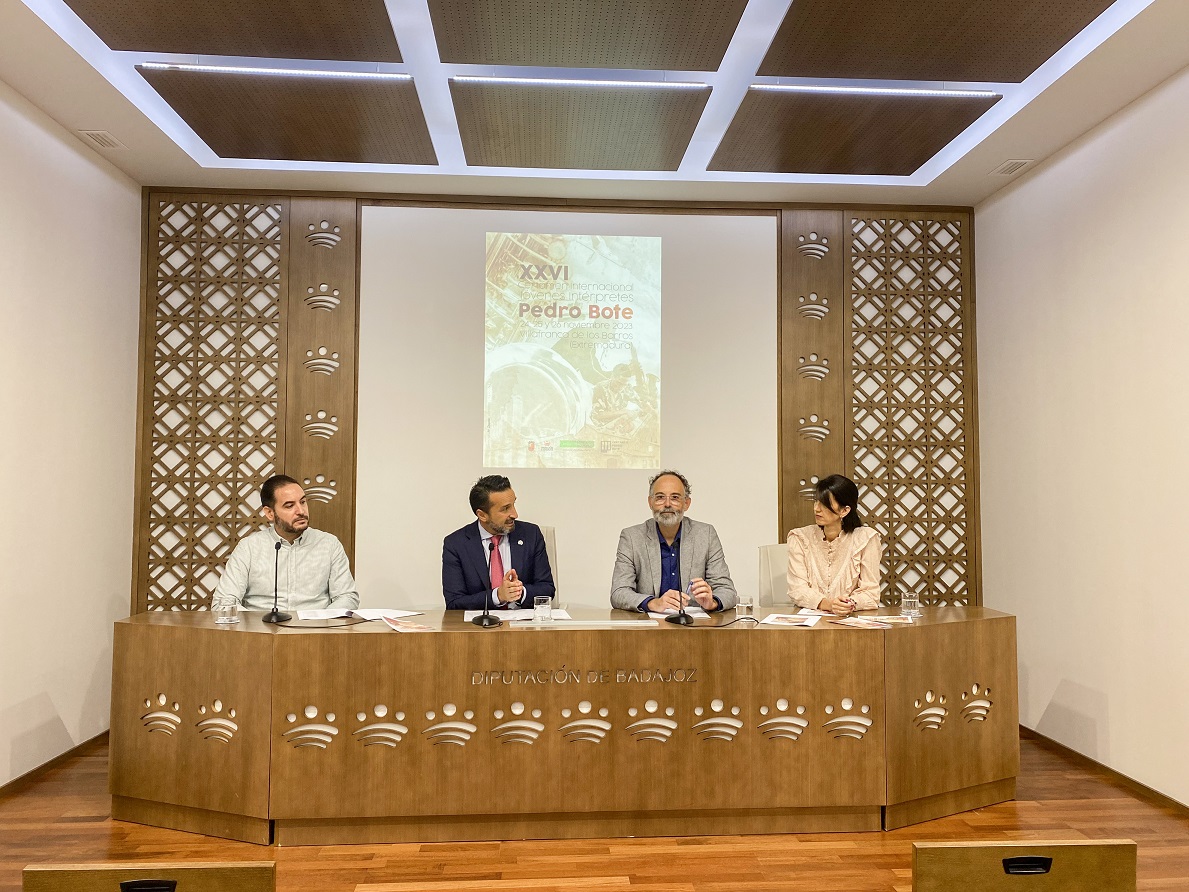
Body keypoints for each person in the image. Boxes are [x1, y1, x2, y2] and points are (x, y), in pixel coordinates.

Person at [212, 474, 359, 612]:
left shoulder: (329, 544)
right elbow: (223, 602)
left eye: (302, 502)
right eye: (289, 506)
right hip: (262, 633)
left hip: (314, 632)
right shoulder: (249, 548)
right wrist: (258, 623)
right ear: (270, 513)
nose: (301, 511)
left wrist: (319, 621)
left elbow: (347, 597)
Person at [611, 470, 737, 613]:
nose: (667, 504)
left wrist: (712, 602)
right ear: (650, 502)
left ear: (686, 503)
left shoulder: (705, 534)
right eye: (660, 497)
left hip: (694, 627)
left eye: (675, 498)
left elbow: (727, 591)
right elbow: (618, 592)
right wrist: (653, 603)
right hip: (648, 627)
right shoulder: (632, 537)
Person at [442, 475, 555, 610]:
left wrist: (519, 592)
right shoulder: (456, 544)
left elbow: (547, 589)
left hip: (522, 626)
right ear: (482, 515)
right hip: (478, 627)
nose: (514, 514)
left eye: (513, 504)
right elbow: (454, 603)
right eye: (505, 508)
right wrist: (498, 596)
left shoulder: (531, 534)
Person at [786, 474, 882, 615]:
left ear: (844, 510)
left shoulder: (866, 539)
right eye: (816, 501)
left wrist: (849, 604)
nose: (817, 509)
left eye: (825, 504)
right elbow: (797, 589)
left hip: (850, 621)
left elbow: (871, 594)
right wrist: (828, 604)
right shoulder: (800, 538)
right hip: (809, 623)